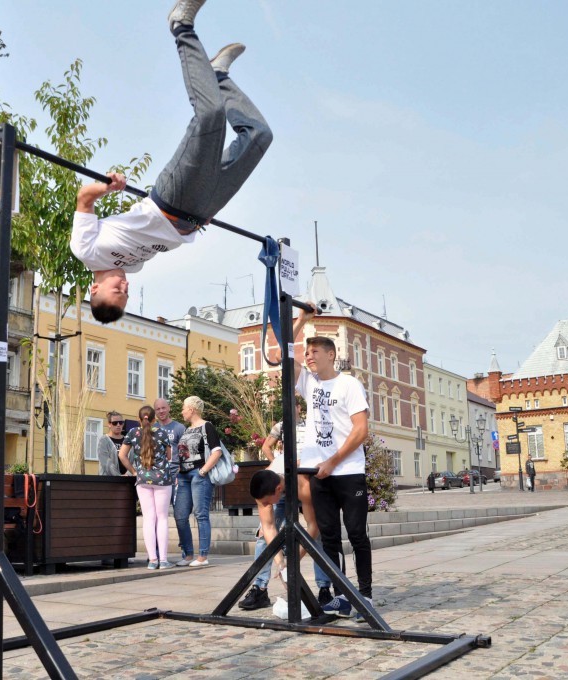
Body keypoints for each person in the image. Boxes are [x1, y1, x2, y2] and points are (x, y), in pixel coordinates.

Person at [70, 0, 272, 323]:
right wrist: (196, 222)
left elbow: (83, 199)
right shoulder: (132, 265)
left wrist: (108, 187)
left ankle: (181, 27)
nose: (124, 283)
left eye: (116, 289)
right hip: (200, 211)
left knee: (210, 118)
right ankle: (218, 76)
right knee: (259, 136)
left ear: (93, 290)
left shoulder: (86, 251)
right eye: (126, 291)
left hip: (172, 198)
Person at [286, 306, 373, 621]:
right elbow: (284, 349)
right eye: (306, 352)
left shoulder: (348, 385)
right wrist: (303, 320)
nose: (308, 356)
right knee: (330, 537)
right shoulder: (308, 383)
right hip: (318, 473)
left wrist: (333, 461)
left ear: (331, 355)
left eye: (314, 352)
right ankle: (342, 598)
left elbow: (361, 429)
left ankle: (365, 595)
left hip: (347, 473)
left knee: (356, 534)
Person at [239, 413, 328, 610]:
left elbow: (313, 526)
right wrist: (281, 563)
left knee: (319, 538)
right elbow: (269, 528)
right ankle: (259, 589)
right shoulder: (262, 485)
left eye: (267, 502)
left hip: (303, 482)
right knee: (262, 536)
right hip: (282, 483)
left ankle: (324, 589)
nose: (265, 505)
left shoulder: (302, 483)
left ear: (278, 491)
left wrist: (293, 559)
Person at [119, 405, 176, 569]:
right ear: (154, 420)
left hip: (142, 479)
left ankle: (152, 560)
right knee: (162, 518)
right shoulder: (162, 433)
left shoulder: (132, 433)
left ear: (139, 419)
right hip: (162, 479)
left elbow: (121, 455)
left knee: (148, 519)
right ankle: (163, 560)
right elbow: (169, 455)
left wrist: (134, 471)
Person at [174, 395, 223, 566]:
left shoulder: (207, 426)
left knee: (201, 515)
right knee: (180, 515)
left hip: (199, 474)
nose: (182, 411)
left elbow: (217, 451)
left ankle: (202, 556)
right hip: (183, 476)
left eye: (183, 408)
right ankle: (187, 554)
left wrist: (203, 471)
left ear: (192, 410)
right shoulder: (187, 430)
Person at [97, 411, 127, 476]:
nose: (118, 425)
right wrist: (119, 476)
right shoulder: (104, 441)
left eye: (121, 422)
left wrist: (128, 474)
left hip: (127, 480)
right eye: (115, 423)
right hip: (109, 481)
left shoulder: (128, 440)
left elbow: (133, 460)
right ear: (109, 424)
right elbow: (106, 462)